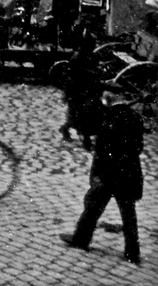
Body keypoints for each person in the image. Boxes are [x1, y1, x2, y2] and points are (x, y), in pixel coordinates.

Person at [59, 83, 144, 265]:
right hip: (128, 173)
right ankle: (132, 251)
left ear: (109, 99)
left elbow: (102, 150)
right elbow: (138, 147)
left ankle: (81, 239)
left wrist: (96, 173)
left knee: (93, 208)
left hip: (108, 174)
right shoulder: (135, 117)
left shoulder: (108, 117)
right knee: (129, 214)